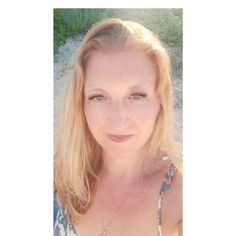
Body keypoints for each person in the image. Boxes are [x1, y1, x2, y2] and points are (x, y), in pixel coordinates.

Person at [54, 18, 182, 236]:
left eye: (136, 96)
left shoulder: (179, 197)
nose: (118, 120)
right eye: (98, 97)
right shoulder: (65, 157)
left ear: (160, 100)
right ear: (80, 102)